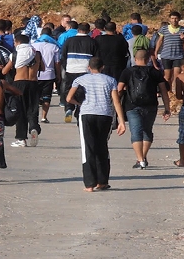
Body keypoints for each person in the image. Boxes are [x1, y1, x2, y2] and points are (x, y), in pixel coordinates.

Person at [66, 57, 126, 192]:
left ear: (89, 68)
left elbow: (69, 98)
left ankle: (89, 183)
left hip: (87, 114)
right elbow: (116, 101)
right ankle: (102, 181)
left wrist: (80, 104)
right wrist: (121, 121)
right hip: (105, 115)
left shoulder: (80, 80)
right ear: (102, 67)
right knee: (102, 147)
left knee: (88, 148)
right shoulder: (110, 80)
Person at [118, 49, 171, 169]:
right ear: (148, 60)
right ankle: (142, 158)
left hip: (132, 105)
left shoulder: (127, 72)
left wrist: (117, 104)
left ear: (135, 59)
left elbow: (119, 89)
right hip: (151, 105)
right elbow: (163, 91)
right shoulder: (155, 72)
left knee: (136, 132)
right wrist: (167, 108)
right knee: (147, 131)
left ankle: (140, 159)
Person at [2, 34, 44, 147]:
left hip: (19, 83)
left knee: (20, 110)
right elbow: (43, 68)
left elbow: (4, 71)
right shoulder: (37, 53)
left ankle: (21, 139)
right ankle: (34, 127)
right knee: (33, 109)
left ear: (18, 42)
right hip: (34, 83)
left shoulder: (15, 54)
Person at [60, 22, 98, 123]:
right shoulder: (92, 42)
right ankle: (80, 110)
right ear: (89, 31)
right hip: (85, 71)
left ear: (78, 30)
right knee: (83, 92)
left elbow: (63, 55)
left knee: (70, 90)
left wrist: (66, 66)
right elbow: (96, 58)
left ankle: (69, 108)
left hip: (71, 70)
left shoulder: (69, 41)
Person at [153, 11, 184, 91]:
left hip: (178, 55)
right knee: (167, 76)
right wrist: (156, 51)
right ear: (169, 19)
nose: (174, 20)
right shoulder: (164, 29)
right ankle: (168, 92)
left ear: (179, 19)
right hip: (166, 55)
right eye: (172, 18)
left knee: (177, 75)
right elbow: (160, 40)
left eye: (176, 18)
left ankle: (177, 92)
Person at [32, 27, 60, 123]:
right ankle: (44, 117)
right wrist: (58, 75)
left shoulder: (33, 46)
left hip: (35, 75)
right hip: (49, 75)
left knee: (35, 96)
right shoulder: (54, 47)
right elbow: (57, 63)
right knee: (47, 97)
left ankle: (33, 116)